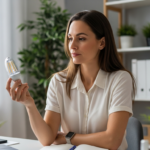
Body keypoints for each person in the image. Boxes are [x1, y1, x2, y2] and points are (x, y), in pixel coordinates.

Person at [6, 10, 136, 150]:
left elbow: (112, 140)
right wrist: (29, 104)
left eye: (81, 38)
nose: (72, 45)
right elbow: (47, 139)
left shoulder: (120, 79)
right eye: (69, 38)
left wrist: (68, 137)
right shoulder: (59, 81)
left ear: (102, 43)